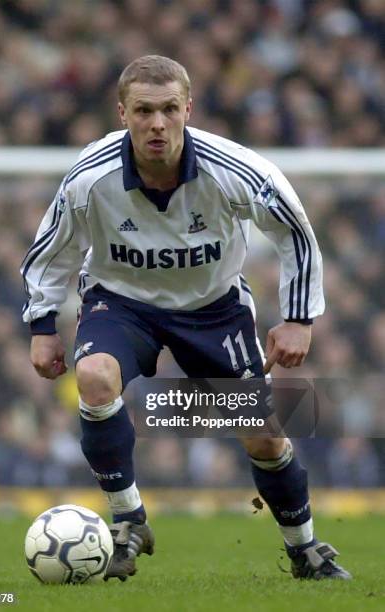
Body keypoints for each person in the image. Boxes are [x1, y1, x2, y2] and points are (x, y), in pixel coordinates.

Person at [21, 55, 351, 581]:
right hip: (122, 303)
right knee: (94, 378)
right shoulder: (89, 175)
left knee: (264, 436)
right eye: (145, 110)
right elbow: (51, 249)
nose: (157, 123)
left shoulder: (236, 170)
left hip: (213, 310)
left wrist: (299, 318)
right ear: (122, 113)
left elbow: (295, 232)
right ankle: (128, 519)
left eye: (170, 109)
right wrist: (42, 327)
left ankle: (305, 549)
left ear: (188, 110)